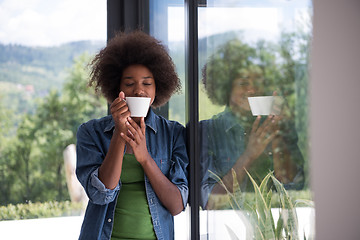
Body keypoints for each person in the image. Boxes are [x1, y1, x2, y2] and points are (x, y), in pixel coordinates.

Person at [75, 30, 189, 240]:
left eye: (147, 83)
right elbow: (101, 194)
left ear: (158, 87)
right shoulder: (90, 133)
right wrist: (119, 134)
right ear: (117, 88)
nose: (139, 91)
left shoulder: (173, 134)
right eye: (129, 84)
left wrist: (144, 157)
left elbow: (176, 206)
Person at [199, 39, 304, 209]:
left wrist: (279, 140)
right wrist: (249, 155)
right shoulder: (206, 131)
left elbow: (294, 190)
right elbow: (209, 201)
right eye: (243, 83)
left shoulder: (278, 126)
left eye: (258, 82)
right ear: (225, 87)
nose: (252, 89)